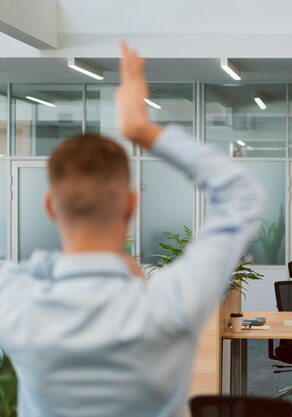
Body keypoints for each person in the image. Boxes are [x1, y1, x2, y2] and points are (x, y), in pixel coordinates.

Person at [0, 42, 264, 417]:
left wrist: (52, 266)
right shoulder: (169, 302)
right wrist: (141, 128)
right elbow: (242, 195)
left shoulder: (16, 302)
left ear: (49, 207)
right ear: (130, 203)